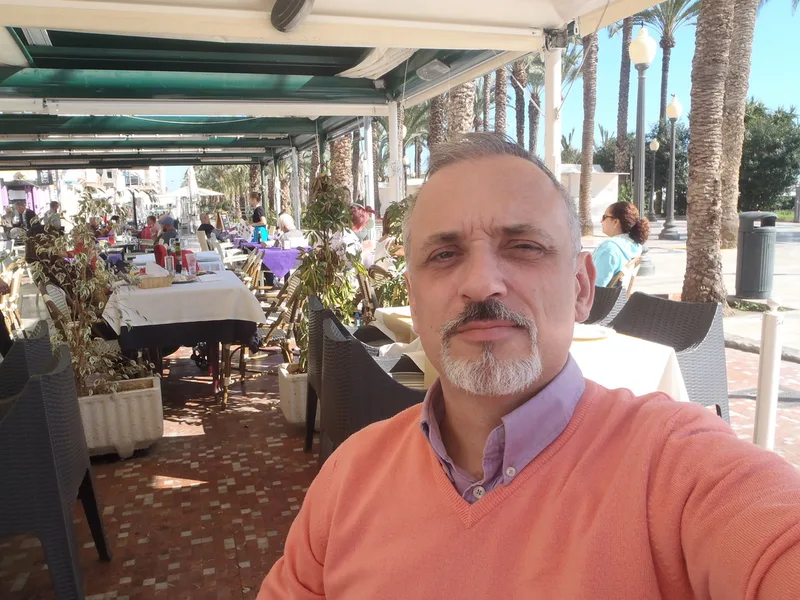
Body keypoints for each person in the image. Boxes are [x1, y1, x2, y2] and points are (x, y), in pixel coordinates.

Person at [257, 133, 800, 599]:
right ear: (414, 302)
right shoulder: (349, 479)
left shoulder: (677, 468)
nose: (481, 283)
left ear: (582, 287)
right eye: (444, 255)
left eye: (523, 247)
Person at [593, 201, 649, 287]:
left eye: (604, 217)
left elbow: (596, 287)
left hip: (597, 295)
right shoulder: (636, 245)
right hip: (619, 295)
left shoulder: (609, 248)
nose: (601, 221)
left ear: (616, 222)